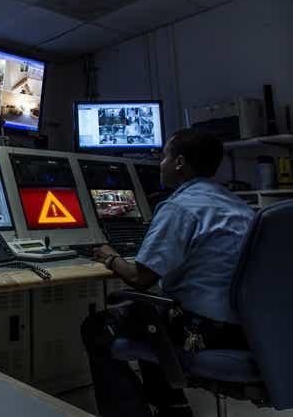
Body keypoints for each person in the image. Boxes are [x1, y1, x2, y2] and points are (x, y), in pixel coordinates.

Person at [81, 129, 254, 417]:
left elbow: (140, 278)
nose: (159, 163)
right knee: (148, 315)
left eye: (163, 156)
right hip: (245, 330)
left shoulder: (179, 207)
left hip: (199, 333)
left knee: (99, 327)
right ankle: (173, 407)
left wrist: (110, 257)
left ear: (179, 163)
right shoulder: (238, 206)